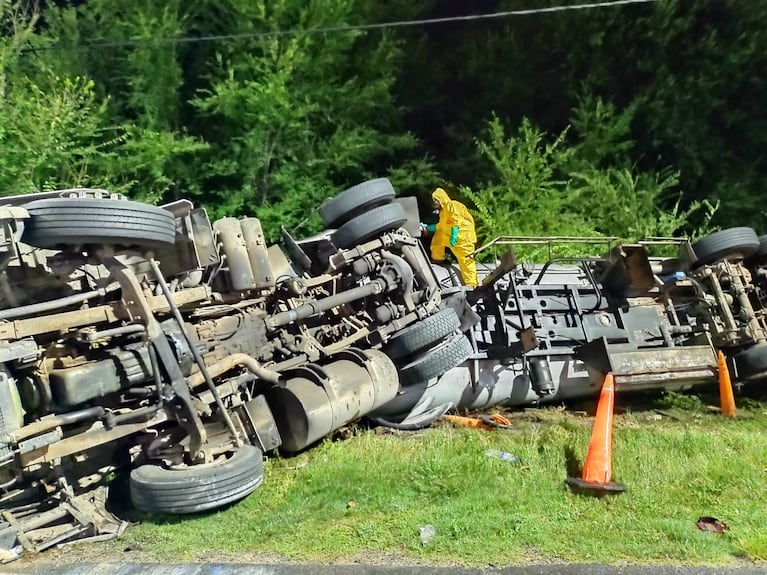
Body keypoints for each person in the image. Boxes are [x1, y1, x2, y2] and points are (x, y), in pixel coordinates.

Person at [420, 187, 478, 287]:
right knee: (438, 237)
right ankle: (437, 258)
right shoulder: (443, 212)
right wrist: (428, 228)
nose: (435, 203)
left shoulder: (453, 206)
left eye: (436, 200)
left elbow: (456, 221)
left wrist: (454, 235)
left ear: (441, 199)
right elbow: (441, 226)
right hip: (451, 235)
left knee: (466, 261)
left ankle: (472, 285)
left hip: (463, 238)